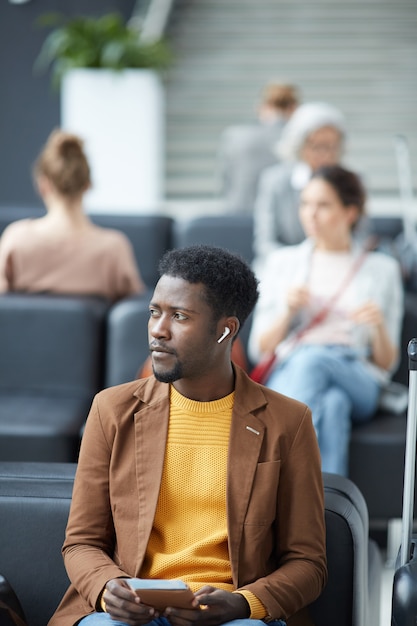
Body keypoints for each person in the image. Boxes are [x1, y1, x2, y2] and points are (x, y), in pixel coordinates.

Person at [49, 244, 327, 626]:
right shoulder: (111, 410)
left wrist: (244, 603)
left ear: (225, 330)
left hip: (232, 616)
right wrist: (108, 587)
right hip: (130, 614)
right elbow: (81, 542)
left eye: (179, 316)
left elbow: (308, 563)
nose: (158, 330)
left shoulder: (288, 422)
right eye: (154, 312)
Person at [248, 165, 404, 476]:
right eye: (305, 204)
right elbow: (259, 349)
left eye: (323, 205)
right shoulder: (282, 263)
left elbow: (386, 364)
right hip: (294, 366)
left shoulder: (381, 269)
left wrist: (377, 327)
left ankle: (285, 487)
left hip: (357, 371)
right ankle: (326, 516)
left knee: (315, 361)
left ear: (350, 212)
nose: (310, 214)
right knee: (332, 406)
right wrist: (288, 312)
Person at [0, 129, 145, 301]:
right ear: (87, 185)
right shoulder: (113, 248)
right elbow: (135, 312)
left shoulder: (16, 238)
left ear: (43, 185)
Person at [252, 101, 346, 268]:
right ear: (300, 145)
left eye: (333, 147)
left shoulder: (350, 180)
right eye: (319, 146)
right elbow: (265, 243)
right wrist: (305, 264)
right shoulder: (274, 180)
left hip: (337, 265)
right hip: (284, 267)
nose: (327, 155)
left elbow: (360, 235)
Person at [217, 83, 300, 215]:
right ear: (294, 108)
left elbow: (226, 182)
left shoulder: (234, 136)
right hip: (282, 221)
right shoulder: (299, 139)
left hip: (237, 215)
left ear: (260, 107)